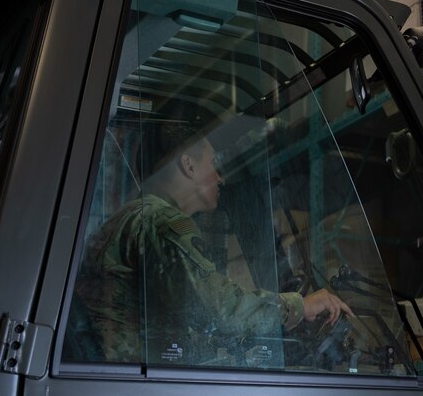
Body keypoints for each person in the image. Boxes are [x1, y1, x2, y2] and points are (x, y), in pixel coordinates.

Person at [74, 120, 354, 365]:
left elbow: (180, 316)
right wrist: (299, 306)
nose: (220, 177)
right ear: (188, 165)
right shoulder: (163, 224)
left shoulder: (132, 217)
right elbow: (220, 311)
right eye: (213, 163)